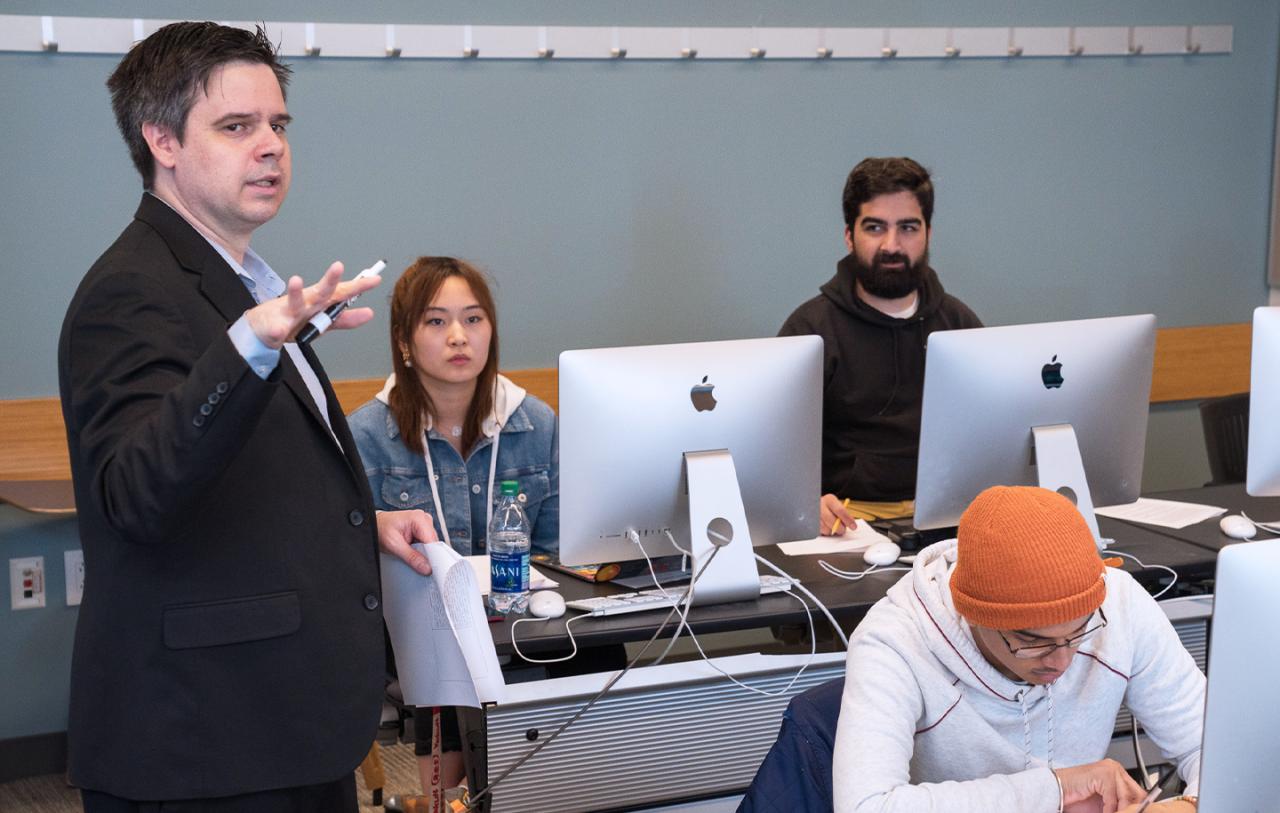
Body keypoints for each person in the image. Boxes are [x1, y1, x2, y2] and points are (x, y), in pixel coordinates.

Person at [58, 22, 436, 811]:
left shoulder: (246, 287)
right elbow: (138, 495)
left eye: (278, 125)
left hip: (281, 724)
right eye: (236, 126)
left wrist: (363, 522)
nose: (270, 146)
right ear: (162, 139)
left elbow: (243, 469)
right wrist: (251, 346)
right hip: (204, 743)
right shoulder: (130, 290)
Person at [832, 486, 1204, 813]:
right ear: (972, 615)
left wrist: (1189, 805)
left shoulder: (1121, 603)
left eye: (1079, 632)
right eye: (1032, 641)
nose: (1061, 661)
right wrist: (1056, 789)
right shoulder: (895, 642)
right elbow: (868, 806)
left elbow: (1210, 744)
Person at [348, 256, 559, 800]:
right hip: (424, 642)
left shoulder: (536, 424)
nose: (459, 336)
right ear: (404, 341)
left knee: (592, 665)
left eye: (474, 318)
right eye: (436, 321)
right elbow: (352, 566)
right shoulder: (366, 436)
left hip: (522, 626)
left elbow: (557, 554)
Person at [778, 156, 982, 534]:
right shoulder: (810, 331)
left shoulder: (959, 324)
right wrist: (804, 500)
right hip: (845, 526)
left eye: (908, 227)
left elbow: (989, 436)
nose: (892, 245)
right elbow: (774, 451)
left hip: (950, 518)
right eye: (875, 228)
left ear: (928, 233)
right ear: (849, 235)